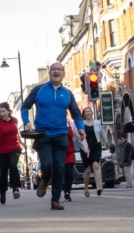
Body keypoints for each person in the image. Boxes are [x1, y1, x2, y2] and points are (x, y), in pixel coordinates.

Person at [21, 62, 85, 210]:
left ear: (63, 73)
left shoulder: (67, 94)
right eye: (53, 69)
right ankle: (45, 180)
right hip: (43, 135)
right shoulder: (39, 90)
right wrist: (27, 122)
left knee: (60, 168)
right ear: (49, 73)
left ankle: (55, 200)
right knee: (47, 165)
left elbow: (76, 114)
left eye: (59, 70)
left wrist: (80, 129)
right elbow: (25, 107)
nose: (56, 72)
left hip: (61, 135)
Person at [0, 102, 24, 205]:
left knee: (13, 165)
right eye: (0, 112)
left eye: (3, 111)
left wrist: (21, 143)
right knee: (3, 173)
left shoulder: (15, 121)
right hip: (2, 150)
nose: (2, 113)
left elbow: (16, 133)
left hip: (15, 148)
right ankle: (2, 192)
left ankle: (15, 188)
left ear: (8, 111)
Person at [80, 106, 109, 197]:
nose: (88, 113)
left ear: (91, 113)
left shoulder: (97, 123)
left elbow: (102, 134)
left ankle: (98, 188)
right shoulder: (82, 124)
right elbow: (79, 136)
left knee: (96, 165)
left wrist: (107, 143)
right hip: (85, 147)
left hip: (96, 145)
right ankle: (86, 188)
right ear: (84, 114)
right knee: (88, 170)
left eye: (89, 111)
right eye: (86, 112)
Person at [63, 119, 89, 202]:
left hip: (69, 152)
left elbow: (79, 137)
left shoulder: (71, 124)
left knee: (69, 174)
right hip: (58, 152)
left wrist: (85, 148)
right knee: (59, 174)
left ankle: (67, 192)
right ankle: (56, 193)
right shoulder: (53, 122)